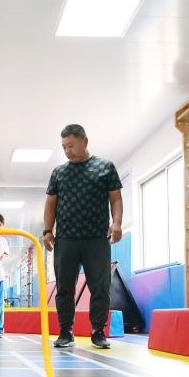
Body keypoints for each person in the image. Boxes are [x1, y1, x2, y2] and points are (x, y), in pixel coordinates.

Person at [42, 124, 123, 349]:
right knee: (64, 288)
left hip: (97, 238)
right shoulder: (59, 172)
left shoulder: (105, 167)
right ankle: (65, 332)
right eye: (64, 147)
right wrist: (48, 230)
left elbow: (115, 198)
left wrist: (116, 223)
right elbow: (50, 203)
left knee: (100, 287)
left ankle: (98, 331)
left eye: (71, 146)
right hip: (66, 239)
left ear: (85, 141)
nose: (67, 151)